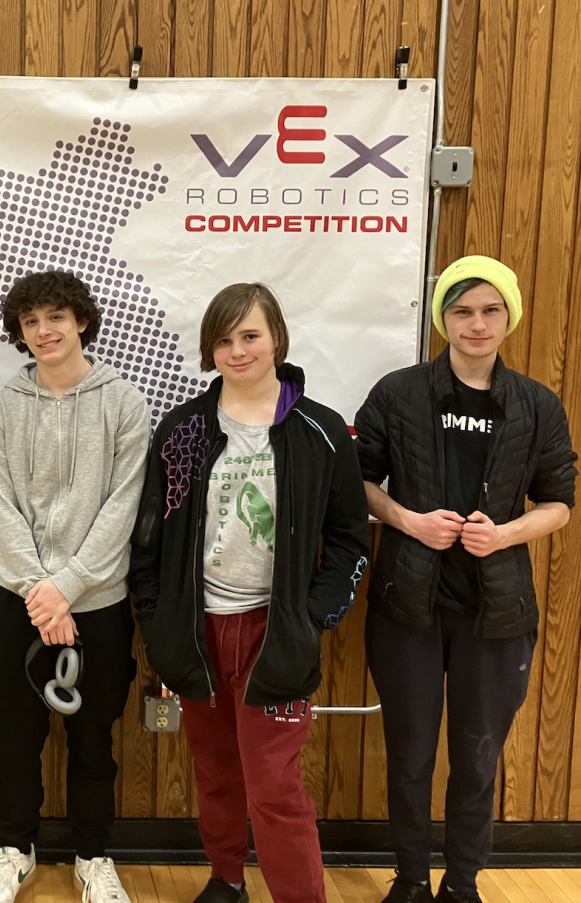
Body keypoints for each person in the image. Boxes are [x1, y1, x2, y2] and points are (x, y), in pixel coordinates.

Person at [130, 283, 370, 903]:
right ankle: (227, 876)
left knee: (273, 784)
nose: (237, 350)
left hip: (276, 632)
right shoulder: (182, 432)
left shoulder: (320, 431)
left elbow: (348, 537)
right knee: (214, 771)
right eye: (224, 339)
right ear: (210, 349)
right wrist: (159, 623)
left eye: (250, 336)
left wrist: (314, 615)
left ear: (276, 339)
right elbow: (151, 541)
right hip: (198, 631)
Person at [354, 256, 576, 903]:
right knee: (411, 751)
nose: (476, 323)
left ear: (509, 317)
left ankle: (463, 880)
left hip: (497, 612)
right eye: (461, 310)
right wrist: (406, 520)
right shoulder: (397, 394)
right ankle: (412, 877)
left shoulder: (537, 404)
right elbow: (360, 482)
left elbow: (560, 501)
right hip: (408, 605)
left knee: (478, 753)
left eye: (490, 310)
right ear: (441, 319)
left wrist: (503, 534)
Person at [0, 271, 150, 903]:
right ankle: (14, 850)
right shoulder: (0, 408)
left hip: (96, 602)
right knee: (14, 736)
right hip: (16, 600)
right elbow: (1, 505)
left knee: (93, 738)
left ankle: (93, 856)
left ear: (80, 320)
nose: (44, 331)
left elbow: (122, 505)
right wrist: (38, 592)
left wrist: (68, 587)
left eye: (55, 317)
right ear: (19, 333)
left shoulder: (124, 402)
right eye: (30, 322)